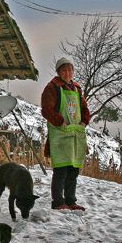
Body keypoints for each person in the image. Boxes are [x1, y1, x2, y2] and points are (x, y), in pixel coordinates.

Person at [41, 57, 90, 211]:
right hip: (60, 134)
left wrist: (84, 122)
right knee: (61, 169)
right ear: (58, 72)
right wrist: (60, 122)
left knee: (73, 170)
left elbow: (84, 108)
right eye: (64, 70)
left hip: (75, 134)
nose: (67, 73)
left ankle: (70, 201)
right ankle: (58, 202)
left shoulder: (76, 88)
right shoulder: (52, 87)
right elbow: (47, 109)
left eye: (70, 70)